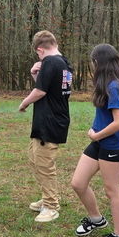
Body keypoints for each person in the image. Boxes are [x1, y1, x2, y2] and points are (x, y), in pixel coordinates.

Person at [71, 44, 119, 237]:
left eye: (93, 63)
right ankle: (96, 219)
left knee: (112, 190)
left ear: (98, 63)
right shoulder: (108, 85)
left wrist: (97, 134)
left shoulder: (114, 87)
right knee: (78, 183)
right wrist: (95, 132)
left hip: (112, 145)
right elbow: (106, 116)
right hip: (99, 143)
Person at [18, 30, 73, 223]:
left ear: (40, 49)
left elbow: (40, 92)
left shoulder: (51, 62)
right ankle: (47, 197)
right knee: (34, 159)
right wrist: (35, 74)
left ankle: (51, 205)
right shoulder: (64, 62)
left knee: (44, 163)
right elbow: (48, 88)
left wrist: (24, 103)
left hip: (50, 121)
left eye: (38, 53)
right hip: (50, 119)